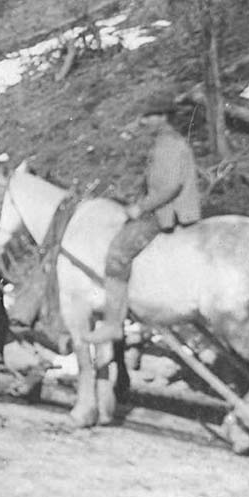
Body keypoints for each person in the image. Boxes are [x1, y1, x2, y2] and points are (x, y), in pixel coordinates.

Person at [85, 93, 202, 343]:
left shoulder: (169, 144)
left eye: (149, 116)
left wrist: (141, 208)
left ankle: (113, 324)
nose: (145, 121)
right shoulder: (165, 141)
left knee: (117, 253)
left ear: (163, 117)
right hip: (166, 208)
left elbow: (169, 187)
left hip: (170, 214)